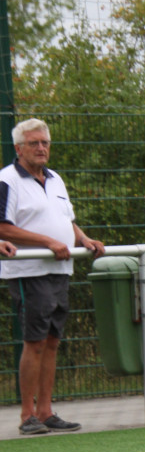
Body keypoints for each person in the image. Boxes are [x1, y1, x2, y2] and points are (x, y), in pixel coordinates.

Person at [0, 118, 105, 435]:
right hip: (29, 271)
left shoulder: (56, 179)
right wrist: (47, 242)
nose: (41, 148)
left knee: (52, 342)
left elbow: (66, 220)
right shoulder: (7, 180)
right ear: (19, 148)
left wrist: (83, 239)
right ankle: (26, 415)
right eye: (34, 143)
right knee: (33, 343)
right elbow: (3, 227)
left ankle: (45, 412)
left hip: (61, 270)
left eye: (45, 142)